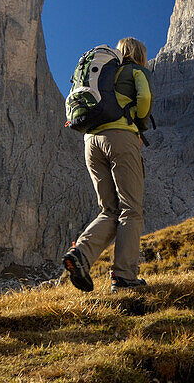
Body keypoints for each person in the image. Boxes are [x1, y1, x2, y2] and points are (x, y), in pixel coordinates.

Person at [63, 37, 153, 293]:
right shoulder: (135, 70)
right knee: (131, 210)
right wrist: (138, 122)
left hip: (90, 142)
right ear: (139, 54)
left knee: (109, 210)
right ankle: (124, 277)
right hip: (120, 139)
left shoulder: (105, 71)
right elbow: (144, 97)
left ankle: (80, 254)